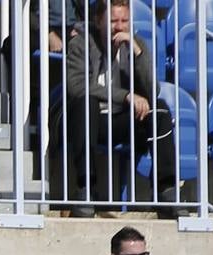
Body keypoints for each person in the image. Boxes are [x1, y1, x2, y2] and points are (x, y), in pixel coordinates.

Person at [62, 0, 182, 218]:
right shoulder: (80, 43)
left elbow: (151, 89)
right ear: (99, 21)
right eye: (113, 21)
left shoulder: (136, 45)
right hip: (90, 119)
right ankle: (86, 189)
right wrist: (126, 96)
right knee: (85, 103)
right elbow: (77, 86)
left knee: (160, 110)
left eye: (124, 20)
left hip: (121, 120)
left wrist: (137, 53)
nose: (119, 26)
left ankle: (166, 192)